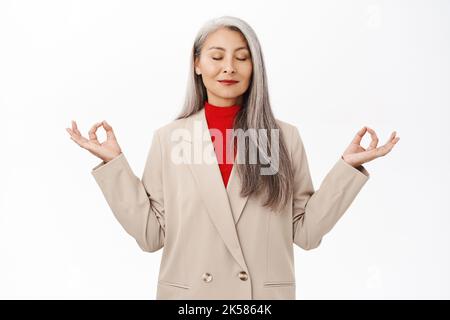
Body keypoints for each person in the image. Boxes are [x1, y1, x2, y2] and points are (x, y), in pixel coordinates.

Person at [66, 16, 399, 300]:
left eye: (242, 57)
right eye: (216, 56)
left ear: (255, 66)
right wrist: (114, 166)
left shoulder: (282, 138)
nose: (229, 67)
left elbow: (306, 233)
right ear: (196, 64)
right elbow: (152, 235)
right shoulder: (170, 139)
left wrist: (348, 168)